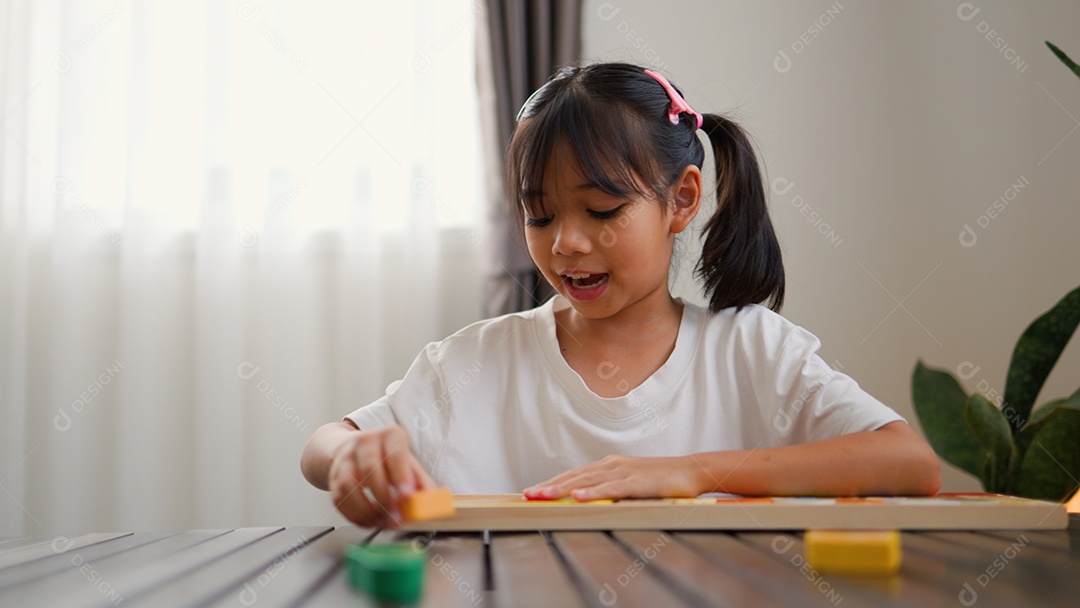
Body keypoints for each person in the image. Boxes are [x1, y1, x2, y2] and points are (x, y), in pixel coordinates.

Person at [300, 63, 941, 529]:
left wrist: (694, 472)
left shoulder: (750, 351)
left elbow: (909, 463)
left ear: (681, 200)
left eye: (602, 210)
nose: (566, 245)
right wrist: (348, 456)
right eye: (540, 216)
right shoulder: (476, 362)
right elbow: (324, 445)